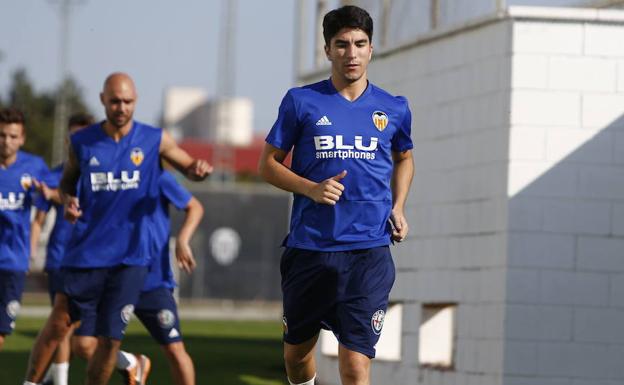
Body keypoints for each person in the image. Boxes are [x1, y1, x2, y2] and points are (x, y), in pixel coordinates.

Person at [258, 6, 414, 385]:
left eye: (360, 44)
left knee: (356, 365)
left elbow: (405, 158)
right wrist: (310, 188)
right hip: (311, 249)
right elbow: (268, 165)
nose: (352, 53)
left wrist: (398, 206)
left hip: (369, 252)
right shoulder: (301, 102)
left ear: (371, 49)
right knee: (296, 358)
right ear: (327, 51)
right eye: (342, 45)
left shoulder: (393, 108)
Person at [23, 72, 212, 385]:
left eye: (127, 101)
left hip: (136, 264)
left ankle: (129, 366)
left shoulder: (154, 141)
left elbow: (189, 169)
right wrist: (69, 201)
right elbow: (68, 184)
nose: (121, 107)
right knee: (61, 326)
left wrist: (198, 171)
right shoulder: (83, 143)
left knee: (116, 340)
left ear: (135, 101)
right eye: (114, 101)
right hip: (88, 255)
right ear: (103, 101)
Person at [71, 170, 203, 385]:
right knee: (84, 345)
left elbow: (194, 207)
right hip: (112, 277)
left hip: (152, 280)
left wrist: (183, 239)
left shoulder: (156, 175)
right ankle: (131, 363)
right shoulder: (102, 175)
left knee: (174, 348)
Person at [30, 113, 95, 385]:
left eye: (81, 135)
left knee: (84, 341)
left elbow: (66, 197)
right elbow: (40, 218)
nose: (75, 141)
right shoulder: (55, 174)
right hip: (59, 259)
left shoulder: (99, 174)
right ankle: (59, 380)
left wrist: (54, 195)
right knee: (61, 328)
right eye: (72, 136)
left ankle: (129, 361)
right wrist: (30, 249)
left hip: (91, 260)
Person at [0, 107, 50, 351]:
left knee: (1, 329)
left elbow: (49, 199)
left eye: (12, 136)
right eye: (2, 135)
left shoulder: (35, 167)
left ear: (22, 138)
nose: (6, 141)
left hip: (12, 261)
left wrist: (34, 237)